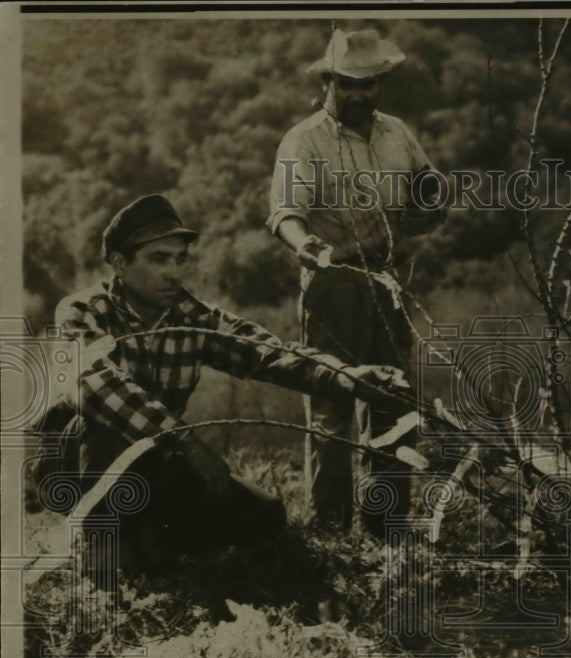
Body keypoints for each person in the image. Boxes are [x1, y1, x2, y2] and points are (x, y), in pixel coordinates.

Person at [35, 193, 408, 584]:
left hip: (156, 463)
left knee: (262, 516)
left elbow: (267, 353)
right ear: (119, 264)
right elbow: (94, 383)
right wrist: (185, 443)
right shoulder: (81, 311)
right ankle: (101, 552)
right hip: (73, 467)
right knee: (106, 425)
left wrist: (347, 376)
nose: (174, 273)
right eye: (158, 259)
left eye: (180, 259)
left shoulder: (193, 316)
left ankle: (149, 541)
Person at [267, 27, 446, 535]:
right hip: (333, 284)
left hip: (388, 281)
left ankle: (385, 528)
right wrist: (306, 246)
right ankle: (329, 530)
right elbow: (285, 213)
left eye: (368, 85)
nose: (358, 94)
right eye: (347, 84)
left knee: (393, 403)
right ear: (329, 81)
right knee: (332, 409)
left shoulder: (397, 132)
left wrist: (432, 202)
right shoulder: (305, 140)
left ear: (380, 85)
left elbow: (427, 182)